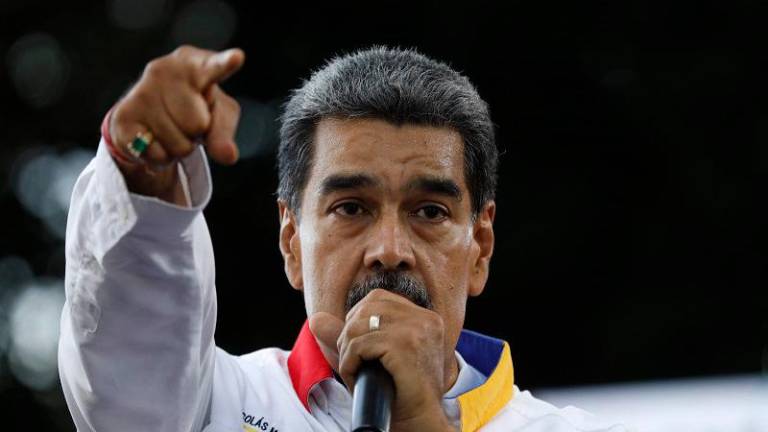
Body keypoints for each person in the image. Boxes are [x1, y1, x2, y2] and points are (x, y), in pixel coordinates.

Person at [59, 45, 631, 432]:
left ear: (479, 248)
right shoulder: (212, 407)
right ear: (291, 241)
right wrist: (142, 173)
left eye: (429, 211)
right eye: (351, 207)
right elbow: (130, 344)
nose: (389, 249)